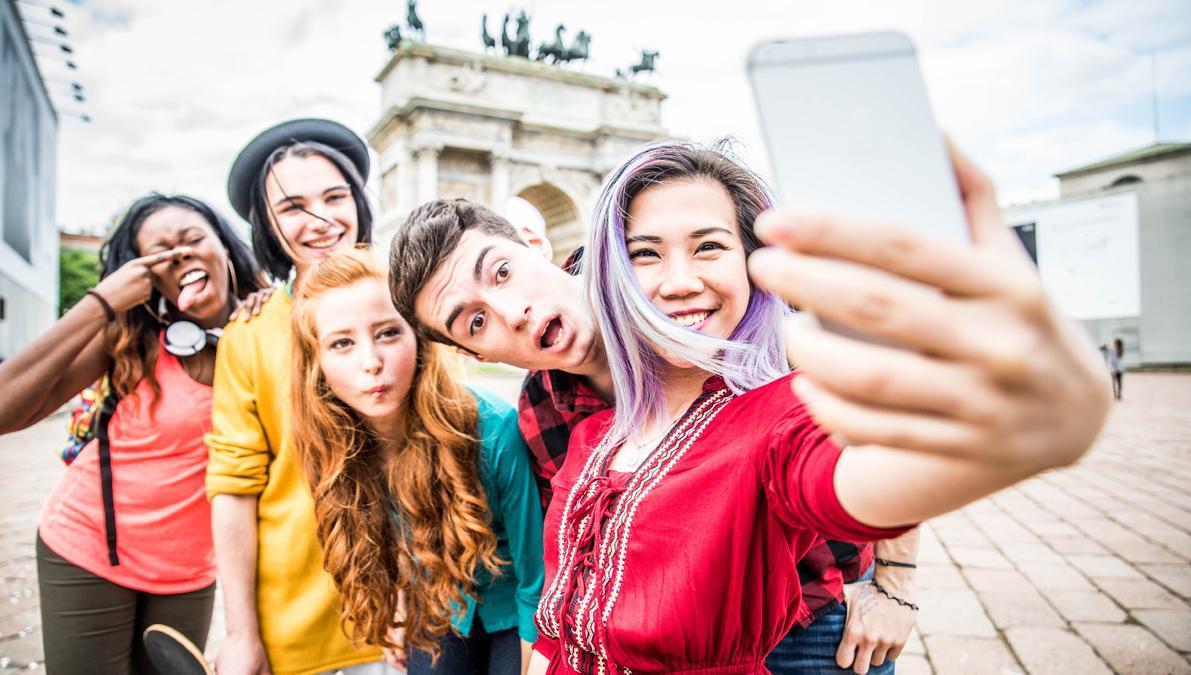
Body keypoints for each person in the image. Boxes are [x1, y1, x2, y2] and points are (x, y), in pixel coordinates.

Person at [512, 139, 1108, 674]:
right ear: (612, 276)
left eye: (709, 247)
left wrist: (1024, 427)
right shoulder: (593, 432)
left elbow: (864, 483)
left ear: (754, 262)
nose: (678, 281)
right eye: (645, 254)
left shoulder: (781, 417)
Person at [390, 203, 918, 673]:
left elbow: (880, 405)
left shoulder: (678, 288)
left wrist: (896, 587)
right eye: (476, 322)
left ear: (536, 245)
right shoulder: (540, 412)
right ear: (475, 356)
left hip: (819, 615)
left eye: (503, 273)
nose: (512, 312)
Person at [0, 193, 266, 674]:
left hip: (189, 570)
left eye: (191, 240)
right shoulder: (130, 336)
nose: (180, 255)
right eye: (159, 254)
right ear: (145, 277)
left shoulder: (267, 330)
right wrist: (101, 302)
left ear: (225, 246)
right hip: (87, 549)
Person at [290, 247, 545, 674]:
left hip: (515, 610)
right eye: (342, 343)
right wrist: (400, 607)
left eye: (388, 333)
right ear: (316, 363)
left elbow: (535, 576)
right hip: (441, 603)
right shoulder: (333, 445)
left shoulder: (493, 430)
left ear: (420, 337)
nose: (371, 363)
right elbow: (395, 538)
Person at [205, 118, 386, 675]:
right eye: (292, 207)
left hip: (424, 619)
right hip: (296, 631)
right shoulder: (249, 332)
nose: (320, 219)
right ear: (268, 225)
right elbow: (234, 485)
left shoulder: (414, 300)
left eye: (335, 196)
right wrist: (240, 634)